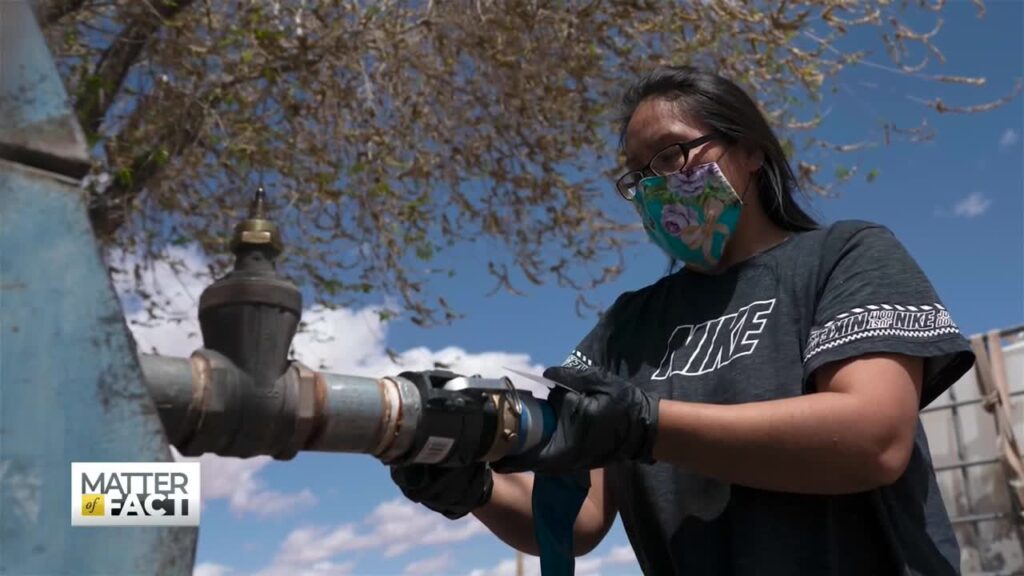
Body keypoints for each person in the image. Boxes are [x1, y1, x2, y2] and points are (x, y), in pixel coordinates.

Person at [390, 65, 975, 575]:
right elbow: (581, 515)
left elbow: (874, 439)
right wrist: (474, 487)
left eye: (671, 154)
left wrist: (648, 426)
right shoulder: (627, 326)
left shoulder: (844, 256)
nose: (655, 185)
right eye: (638, 174)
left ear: (751, 151)